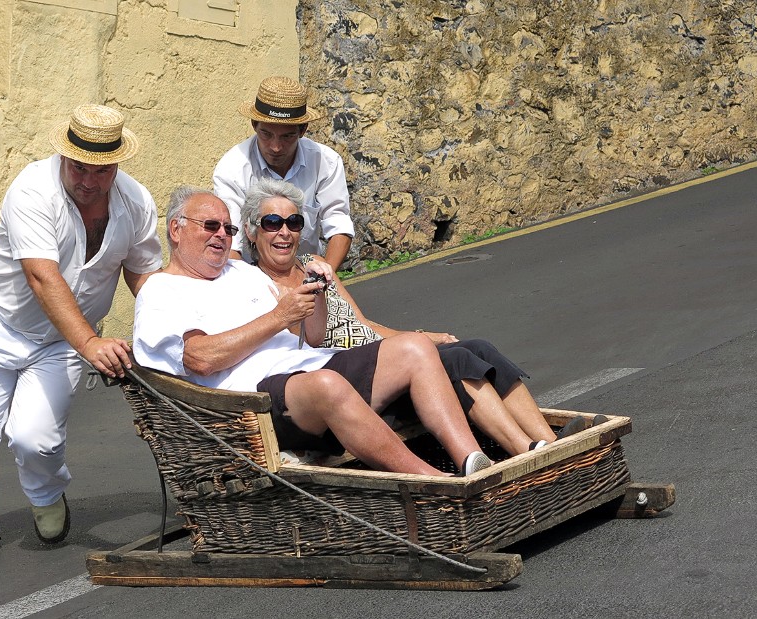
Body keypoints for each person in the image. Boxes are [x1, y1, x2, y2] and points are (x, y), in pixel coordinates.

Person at [133, 187, 496, 478]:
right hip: (250, 404)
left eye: (227, 229)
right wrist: (277, 317)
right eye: (209, 226)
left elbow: (314, 335)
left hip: (306, 368)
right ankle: (434, 482)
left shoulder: (242, 273)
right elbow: (200, 358)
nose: (221, 236)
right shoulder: (161, 289)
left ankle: (472, 462)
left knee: (414, 346)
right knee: (326, 384)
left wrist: (313, 295)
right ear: (176, 229)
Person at [0, 104, 163, 570]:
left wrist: (168, 334)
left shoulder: (136, 202)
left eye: (100, 170)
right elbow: (43, 277)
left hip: (61, 341)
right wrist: (92, 345)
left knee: (35, 438)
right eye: (79, 166)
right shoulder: (31, 190)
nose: (88, 179)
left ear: (116, 164)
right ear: (65, 155)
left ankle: (46, 496)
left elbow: (143, 274)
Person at [239, 178, 598, 457]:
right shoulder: (259, 286)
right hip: (360, 381)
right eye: (272, 223)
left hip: (389, 357)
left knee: (478, 348)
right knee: (456, 361)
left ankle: (549, 442)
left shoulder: (315, 268)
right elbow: (306, 339)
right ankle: (526, 451)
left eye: (293, 221)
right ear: (254, 232)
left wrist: (420, 337)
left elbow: (365, 325)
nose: (284, 231)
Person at [212, 75, 354, 272]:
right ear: (254, 125)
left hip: (308, 271)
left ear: (303, 130)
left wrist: (323, 279)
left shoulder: (326, 162)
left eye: (287, 136)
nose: (276, 147)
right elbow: (231, 241)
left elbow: (339, 224)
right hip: (249, 275)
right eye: (266, 134)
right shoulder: (232, 168)